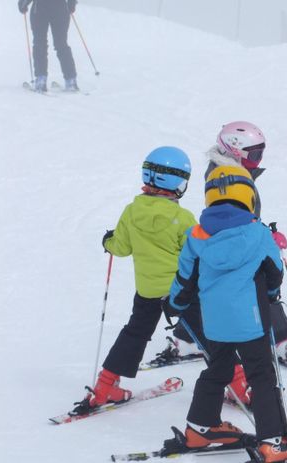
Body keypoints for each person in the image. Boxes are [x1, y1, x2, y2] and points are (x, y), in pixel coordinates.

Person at [163, 165, 287, 462]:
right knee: (261, 374)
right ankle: (272, 442)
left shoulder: (197, 235)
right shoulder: (258, 233)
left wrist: (174, 303)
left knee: (218, 369)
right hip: (251, 320)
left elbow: (185, 278)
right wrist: (270, 294)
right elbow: (274, 272)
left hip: (215, 322)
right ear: (248, 195)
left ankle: (200, 428)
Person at [156, 121, 287, 376]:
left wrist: (262, 232)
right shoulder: (226, 175)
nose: (258, 160)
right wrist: (262, 237)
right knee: (257, 283)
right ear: (236, 151)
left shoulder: (231, 171)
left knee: (216, 286)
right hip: (236, 244)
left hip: (237, 240)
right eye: (255, 154)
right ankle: (280, 341)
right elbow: (233, 219)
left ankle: (187, 338)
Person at [70, 147, 195, 413]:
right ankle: (238, 382)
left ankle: (105, 387)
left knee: (135, 333)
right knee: (210, 334)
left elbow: (121, 247)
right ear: (178, 182)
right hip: (180, 290)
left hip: (148, 290)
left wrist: (109, 241)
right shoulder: (182, 218)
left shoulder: (132, 211)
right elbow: (195, 253)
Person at [17, 0, 79, 92]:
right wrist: (71, 5)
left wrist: (23, 4)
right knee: (61, 44)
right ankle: (71, 80)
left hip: (40, 10)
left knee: (40, 44)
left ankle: (41, 80)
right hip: (60, 10)